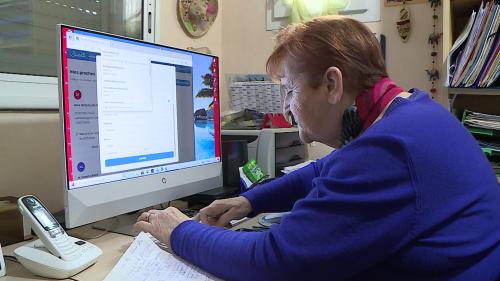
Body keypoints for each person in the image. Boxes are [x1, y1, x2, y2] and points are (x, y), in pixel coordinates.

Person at [134, 16, 500, 281]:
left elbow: (273, 260)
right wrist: (249, 201)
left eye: (290, 90)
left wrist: (177, 230)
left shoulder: (389, 149)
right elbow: (323, 169)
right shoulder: (408, 114)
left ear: (331, 84)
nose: (285, 107)